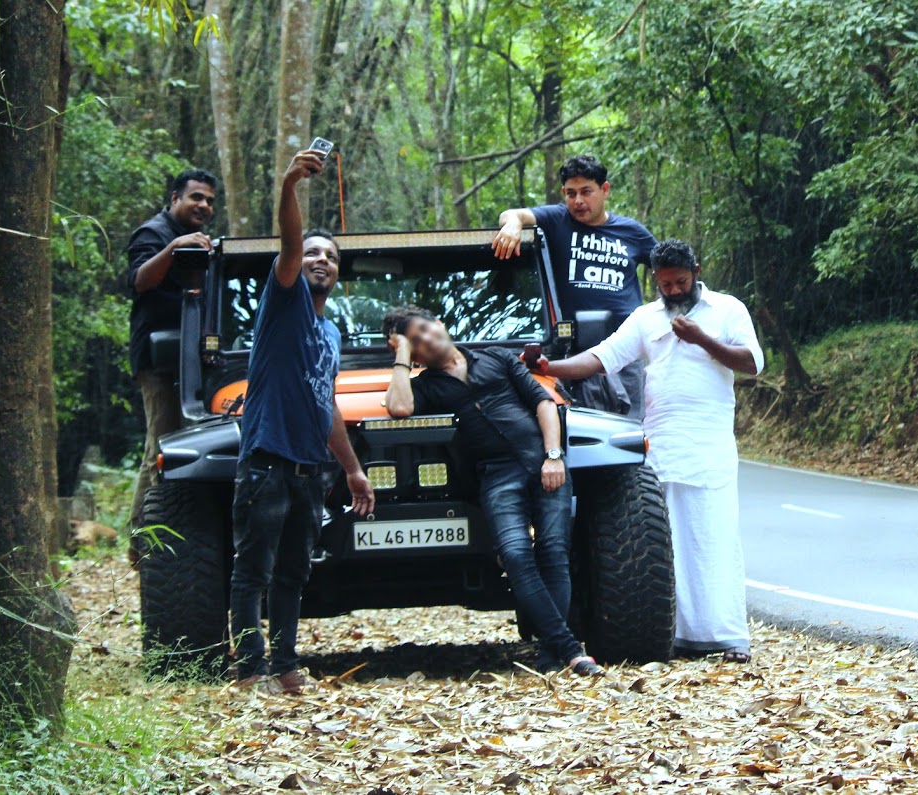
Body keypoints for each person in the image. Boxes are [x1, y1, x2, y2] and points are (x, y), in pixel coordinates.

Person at [526, 239, 763, 663]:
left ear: (696, 270)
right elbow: (602, 359)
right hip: (661, 438)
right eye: (664, 284)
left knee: (712, 532)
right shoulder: (645, 317)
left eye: (680, 282)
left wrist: (701, 338)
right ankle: (670, 634)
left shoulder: (727, 309)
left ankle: (727, 636)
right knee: (661, 539)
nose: (672, 291)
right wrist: (549, 369)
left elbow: (751, 363)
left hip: (709, 441)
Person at [382, 308, 603, 677]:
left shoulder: (497, 357)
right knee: (516, 556)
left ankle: (553, 656)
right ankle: (567, 648)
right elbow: (398, 408)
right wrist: (402, 356)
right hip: (496, 475)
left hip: (542, 461)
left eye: (424, 329)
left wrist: (553, 456)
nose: (425, 340)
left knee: (553, 552)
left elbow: (543, 402)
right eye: (415, 342)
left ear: (440, 324)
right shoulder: (426, 384)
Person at [230, 149, 375, 694]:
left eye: (331, 256)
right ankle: (249, 672)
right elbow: (289, 244)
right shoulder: (282, 302)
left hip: (309, 470)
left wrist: (354, 470)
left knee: (294, 574)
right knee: (253, 572)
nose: (320, 260)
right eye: (313, 253)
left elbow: (327, 404)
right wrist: (289, 184)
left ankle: (287, 667)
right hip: (267, 461)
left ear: (338, 271)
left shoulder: (331, 334)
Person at [492, 154, 655, 417]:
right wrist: (513, 224)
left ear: (605, 190)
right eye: (571, 193)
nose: (578, 201)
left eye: (586, 192)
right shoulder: (558, 219)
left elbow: (668, 270)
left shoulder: (632, 231)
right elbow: (512, 213)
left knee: (630, 429)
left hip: (625, 348)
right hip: (572, 349)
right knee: (576, 426)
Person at [127, 168, 217, 530]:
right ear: (175, 198)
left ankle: (178, 527)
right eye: (196, 197)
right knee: (160, 445)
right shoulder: (155, 233)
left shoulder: (199, 237)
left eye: (210, 200)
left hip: (195, 360)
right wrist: (172, 249)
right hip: (160, 360)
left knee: (187, 444)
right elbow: (139, 280)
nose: (204, 205)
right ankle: (143, 536)